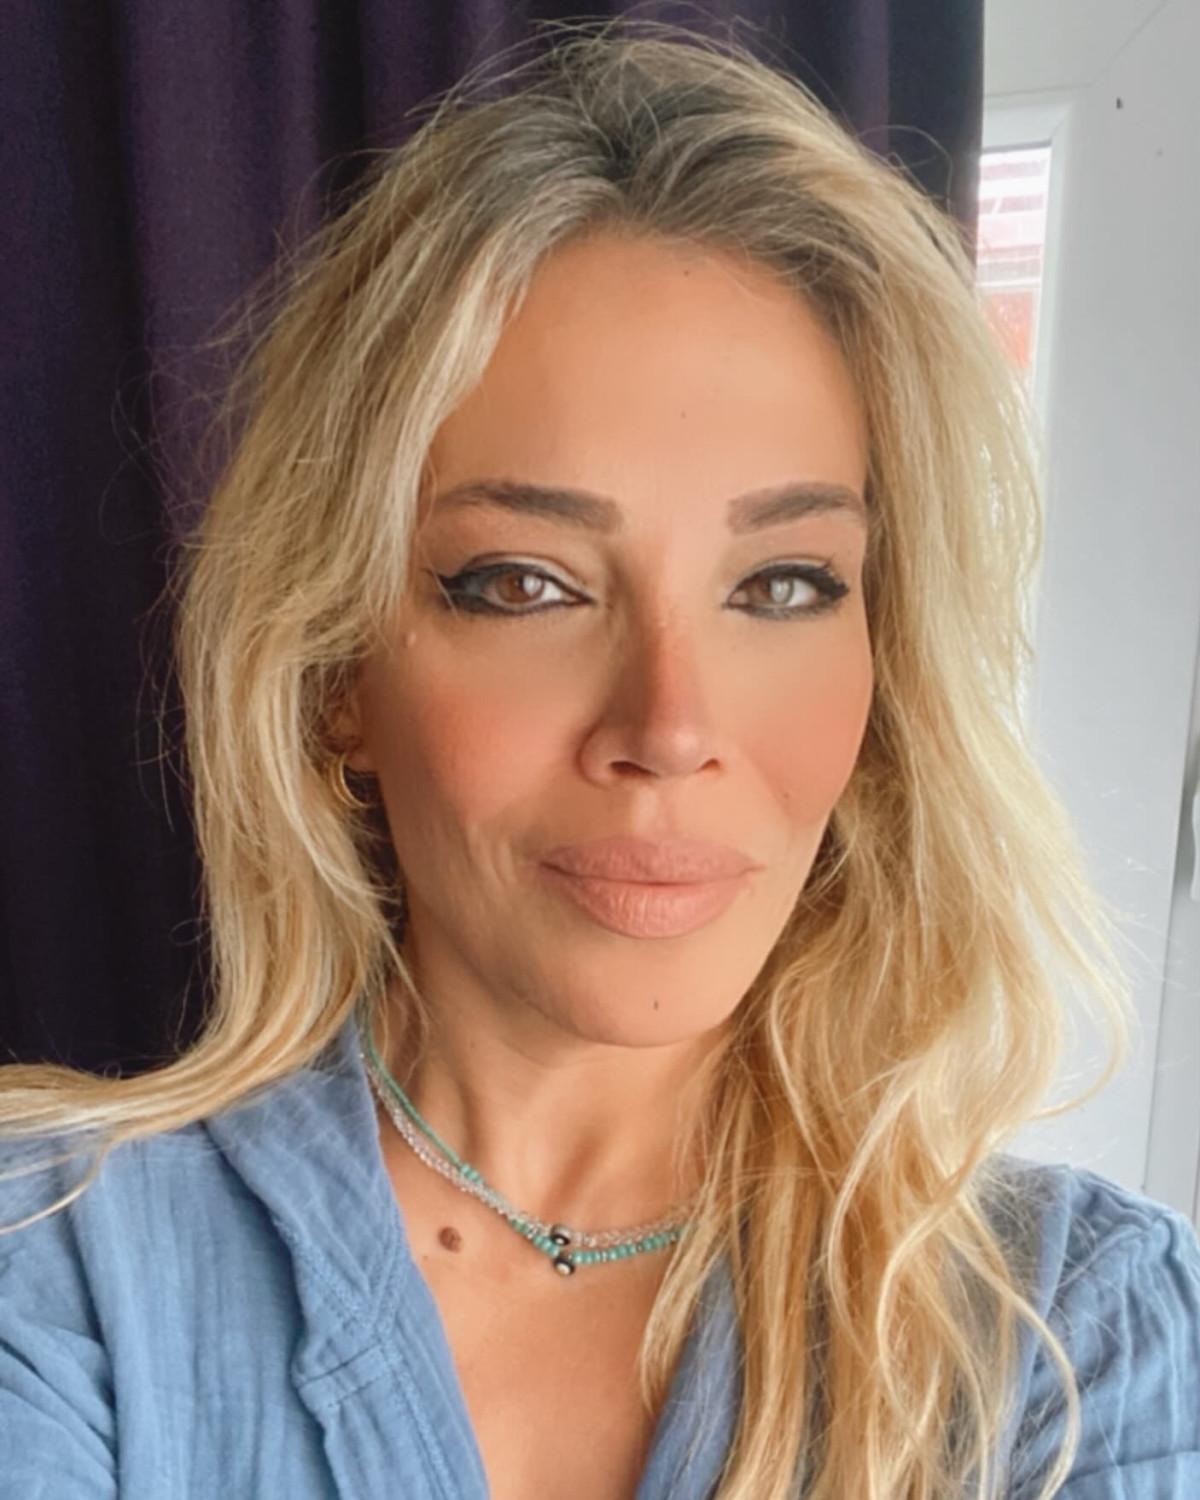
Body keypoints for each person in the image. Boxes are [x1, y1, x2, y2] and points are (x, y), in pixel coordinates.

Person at [1, 19, 1197, 1500]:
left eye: (782, 585)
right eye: (526, 583)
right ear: (336, 675)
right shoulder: (61, 1268)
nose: (670, 727)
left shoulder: (1079, 1333)